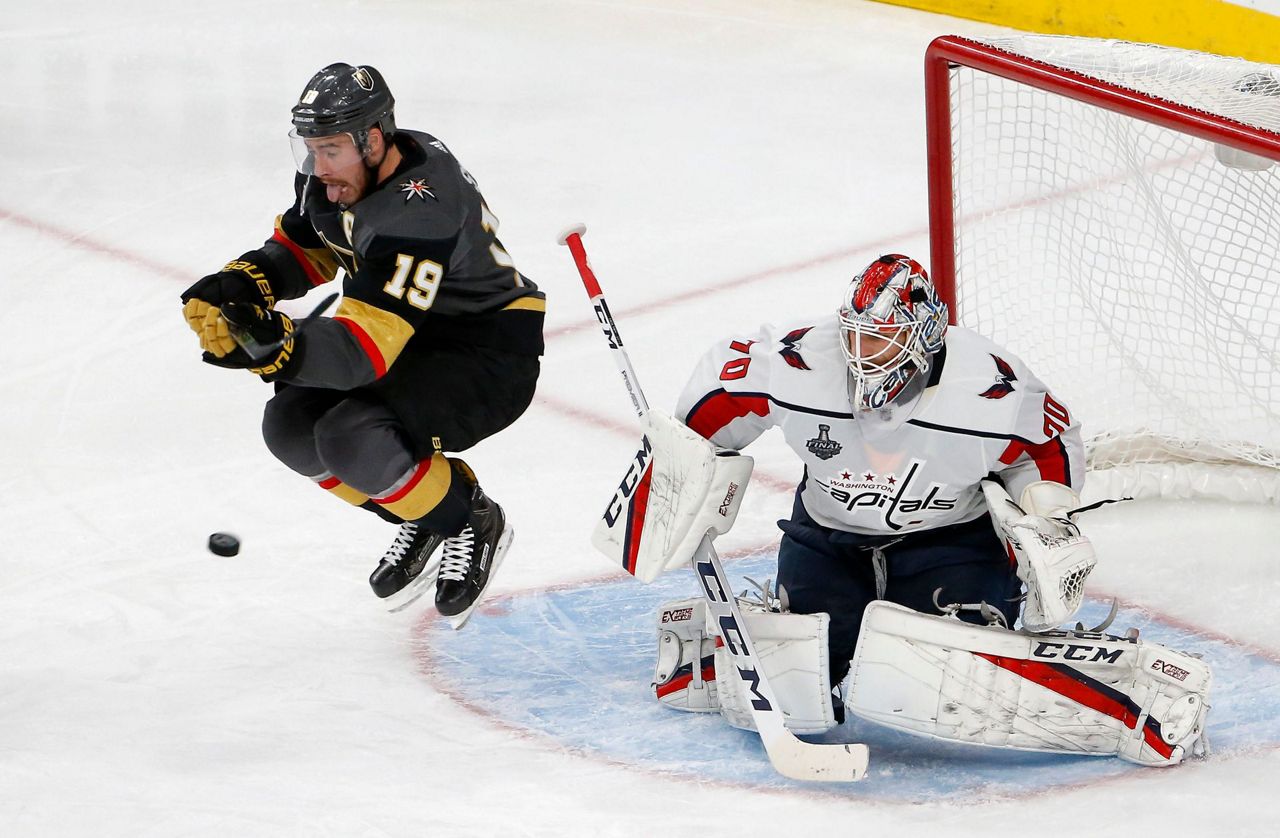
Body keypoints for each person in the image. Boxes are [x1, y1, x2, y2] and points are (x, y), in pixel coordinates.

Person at [181, 63, 544, 626]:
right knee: (290, 430)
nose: (319, 169)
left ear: (373, 139)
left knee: (352, 438)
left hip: (484, 352)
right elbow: (310, 246)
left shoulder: (420, 209)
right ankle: (423, 510)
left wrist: (277, 345)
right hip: (413, 334)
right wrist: (243, 281)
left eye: (330, 151)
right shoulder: (343, 174)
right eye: (311, 150)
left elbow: (361, 353)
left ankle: (467, 517)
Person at [673, 254, 1085, 687]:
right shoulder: (802, 361)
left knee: (951, 677)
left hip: (953, 542)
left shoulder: (991, 386)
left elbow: (1048, 446)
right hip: (828, 538)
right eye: (854, 336)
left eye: (879, 339)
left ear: (924, 336)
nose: (859, 353)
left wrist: (1048, 519)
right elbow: (722, 393)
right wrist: (684, 462)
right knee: (796, 673)